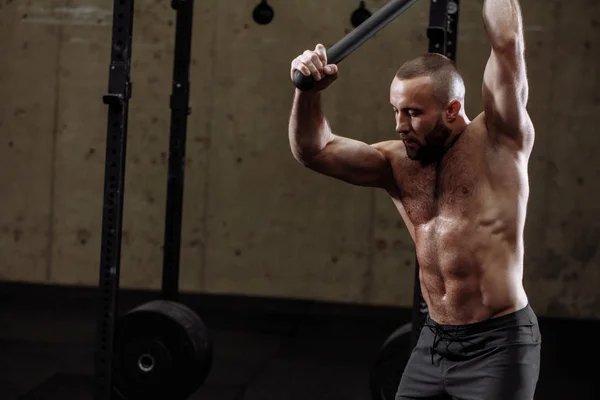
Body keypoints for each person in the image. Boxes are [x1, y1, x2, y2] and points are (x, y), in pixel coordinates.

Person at [288, 0, 541, 399]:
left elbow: (506, 42)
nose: (399, 125)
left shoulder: (499, 140)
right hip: (433, 343)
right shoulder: (397, 163)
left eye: (412, 113)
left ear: (452, 109)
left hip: (498, 344)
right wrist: (309, 93)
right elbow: (314, 151)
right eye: (396, 111)